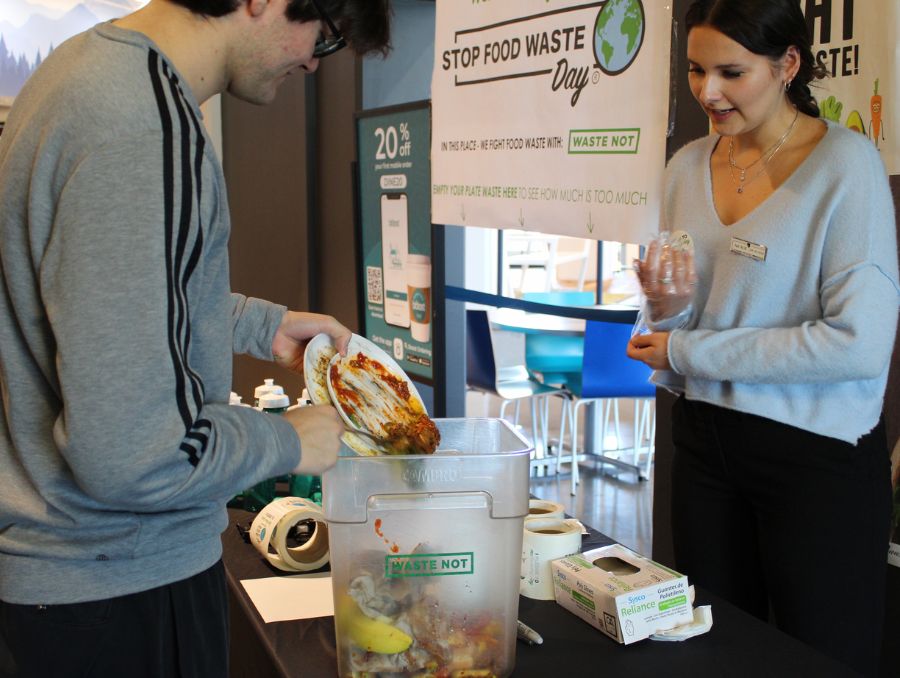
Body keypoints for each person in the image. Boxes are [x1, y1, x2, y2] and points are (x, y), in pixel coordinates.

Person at [0, 0, 391, 675]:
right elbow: (131, 455)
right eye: (322, 38)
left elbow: (92, 294)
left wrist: (258, 324)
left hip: (69, 586)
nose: (311, 62)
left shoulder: (85, 73)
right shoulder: (144, 125)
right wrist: (292, 437)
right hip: (119, 585)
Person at [627, 1, 899, 675]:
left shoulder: (845, 164)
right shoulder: (686, 167)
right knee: (709, 649)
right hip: (705, 441)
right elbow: (678, 323)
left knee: (821, 657)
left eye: (730, 72)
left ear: (788, 65)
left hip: (816, 457)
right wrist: (666, 309)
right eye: (695, 70)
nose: (707, 92)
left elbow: (857, 345)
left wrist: (689, 350)